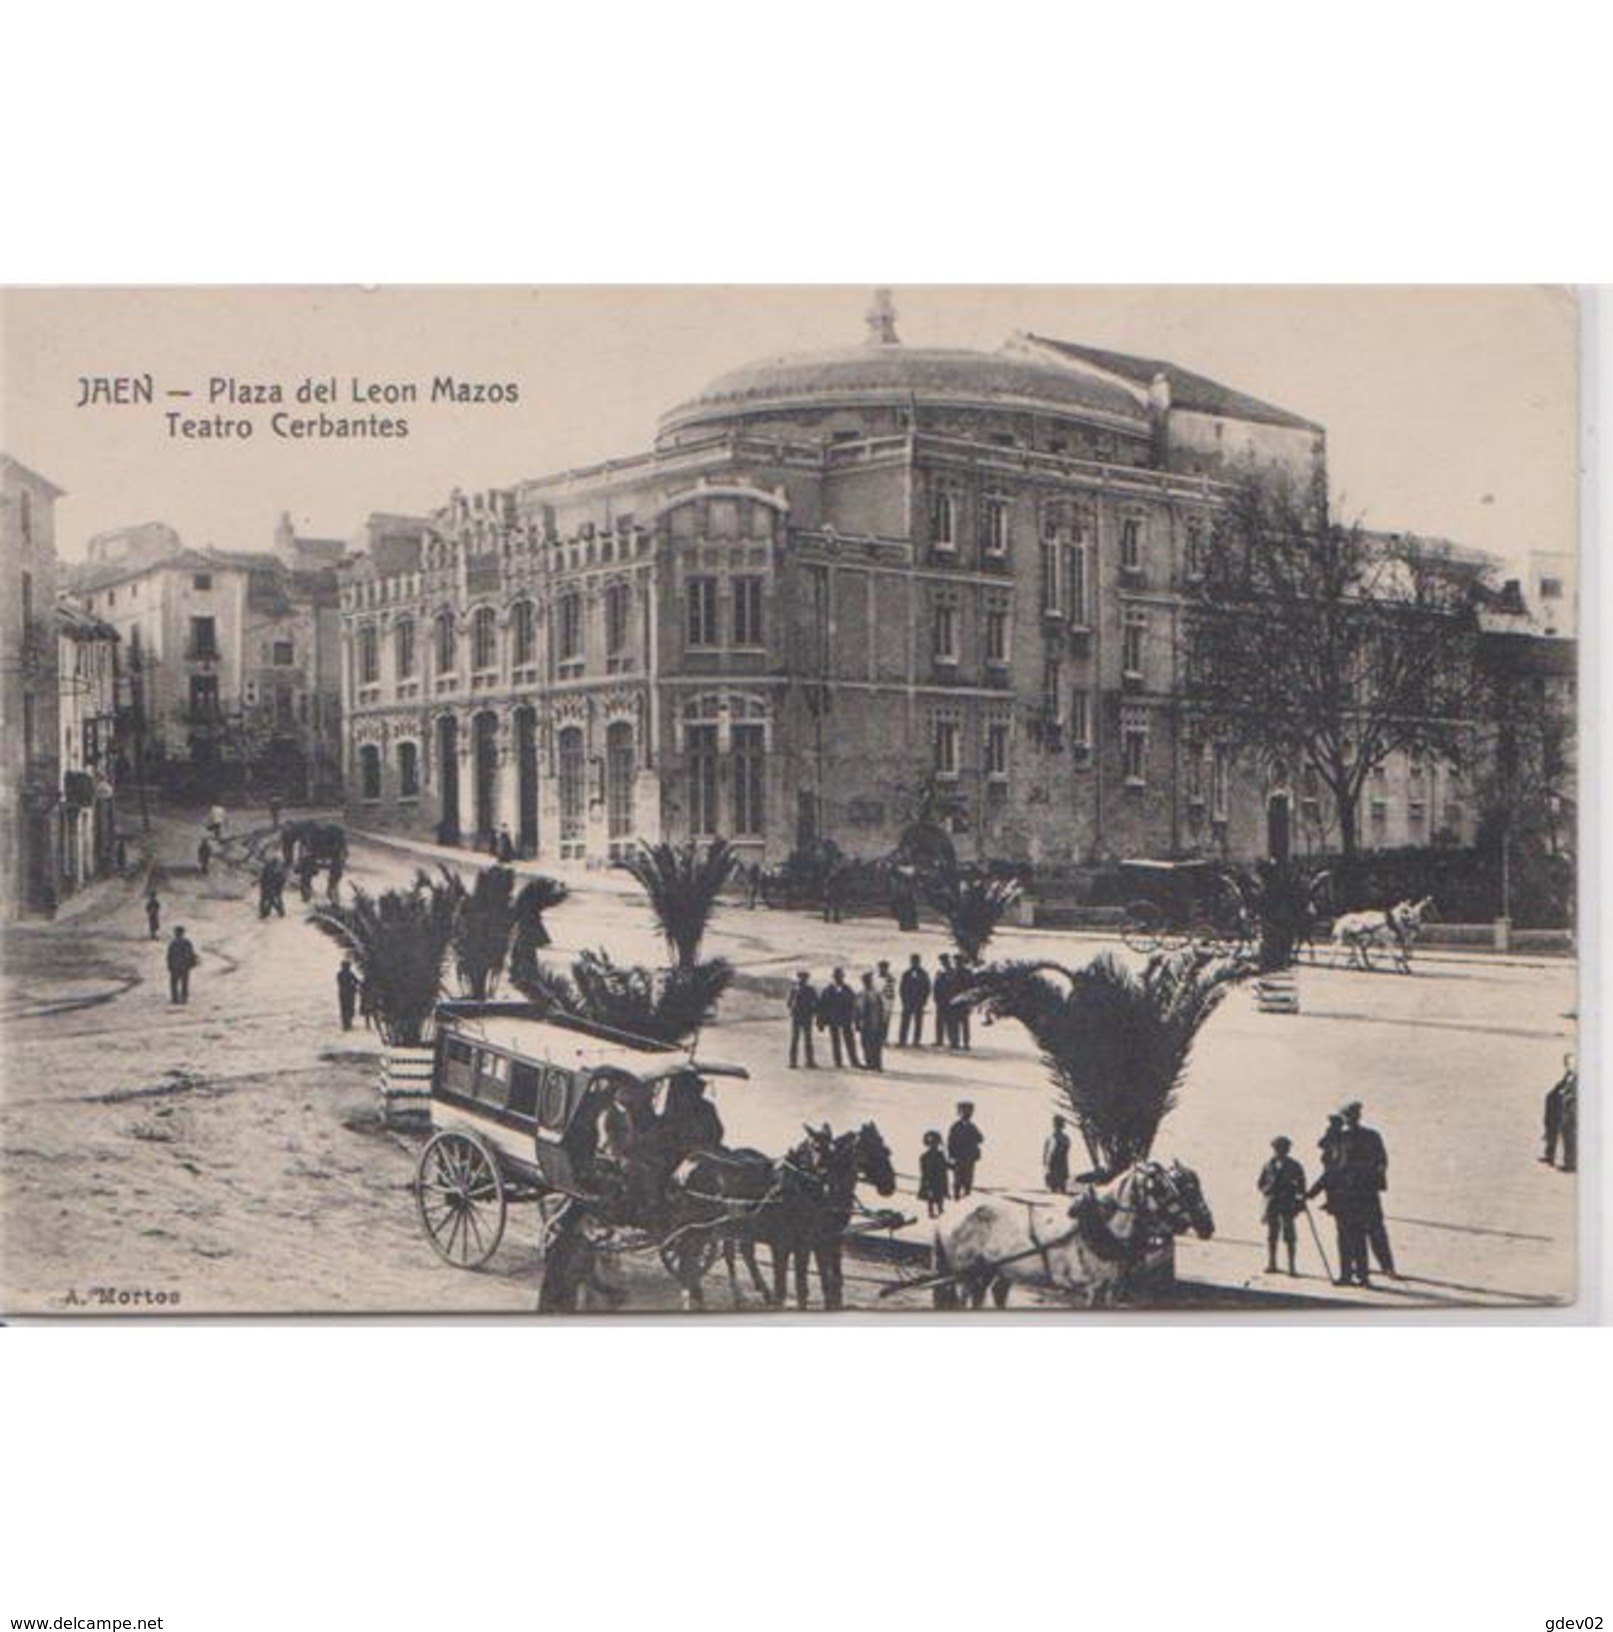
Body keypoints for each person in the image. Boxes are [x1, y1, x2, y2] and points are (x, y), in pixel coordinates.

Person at [1338, 1100, 1395, 1278]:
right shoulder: (1340, 1138)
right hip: (1349, 1193)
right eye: (1348, 1116)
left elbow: (1382, 1161)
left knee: (1376, 1230)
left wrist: (1373, 1176)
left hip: (1367, 1191)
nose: (1352, 1119)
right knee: (1354, 1232)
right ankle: (1361, 1269)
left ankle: (1387, 1266)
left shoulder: (1372, 1136)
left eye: (1354, 1115)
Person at [1307, 1114, 1363, 1286]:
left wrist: (1310, 1194)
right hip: (1345, 1199)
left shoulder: (1340, 1151)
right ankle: (1358, 1274)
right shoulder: (1339, 1146)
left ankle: (1353, 1275)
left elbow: (1329, 1175)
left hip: (1346, 1200)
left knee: (1349, 1237)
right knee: (1352, 1237)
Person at [1258, 1135, 1308, 1276]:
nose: (1281, 1151)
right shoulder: (1268, 1164)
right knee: (1272, 1234)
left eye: (1284, 1148)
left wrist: (1300, 1201)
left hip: (1288, 1204)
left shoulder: (1295, 1166)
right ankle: (1272, 1263)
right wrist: (1267, 1190)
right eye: (1278, 1148)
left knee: (1289, 1236)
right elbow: (1260, 1183)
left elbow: (1302, 1186)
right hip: (1272, 1203)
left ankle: (1292, 1267)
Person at [817, 967, 861, 1070]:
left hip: (846, 1019)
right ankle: (838, 1062)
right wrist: (821, 1022)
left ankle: (854, 1062)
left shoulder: (848, 989)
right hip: (833, 1019)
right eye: (836, 977)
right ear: (833, 978)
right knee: (835, 1041)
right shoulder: (827, 990)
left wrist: (855, 1019)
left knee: (850, 1041)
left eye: (840, 976)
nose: (838, 979)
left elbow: (854, 1004)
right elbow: (822, 1007)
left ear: (843, 977)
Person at [1541, 1055, 1577, 1171]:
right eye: (1566, 1064)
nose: (1568, 1066)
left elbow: (1575, 1092)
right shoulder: (1568, 1076)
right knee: (1553, 1128)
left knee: (1569, 1136)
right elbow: (1560, 1088)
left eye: (1570, 1064)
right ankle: (1551, 1155)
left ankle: (1570, 1164)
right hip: (1562, 1109)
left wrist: (1565, 1095)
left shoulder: (1578, 1077)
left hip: (1571, 1111)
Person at [947, 1102, 984, 1198]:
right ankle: (957, 1194)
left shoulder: (972, 1127)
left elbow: (980, 1138)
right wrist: (951, 1155)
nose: (967, 1115)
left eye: (969, 1112)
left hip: (969, 1156)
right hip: (959, 1156)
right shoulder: (956, 1127)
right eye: (964, 1112)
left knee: (968, 1176)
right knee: (958, 1177)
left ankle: (967, 1193)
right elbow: (951, 1141)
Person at [855, 971, 887, 1072]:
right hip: (865, 1024)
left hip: (875, 1023)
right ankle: (869, 1063)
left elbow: (882, 1009)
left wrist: (882, 1023)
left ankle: (877, 1064)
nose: (867, 982)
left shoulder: (876, 994)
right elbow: (856, 1010)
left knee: (876, 1045)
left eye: (868, 981)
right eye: (865, 981)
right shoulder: (860, 994)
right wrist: (857, 1023)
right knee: (865, 1044)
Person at [786, 969, 818, 1069]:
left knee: (807, 1039)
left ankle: (809, 1061)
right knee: (795, 1039)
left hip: (806, 1017)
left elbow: (816, 1002)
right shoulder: (794, 990)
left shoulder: (810, 989)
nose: (802, 980)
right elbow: (788, 1003)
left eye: (804, 978)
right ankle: (793, 1062)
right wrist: (793, 1007)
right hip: (798, 1017)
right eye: (801, 978)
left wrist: (813, 1012)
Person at [898, 953, 930, 1048]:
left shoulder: (923, 974)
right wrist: (904, 1000)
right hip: (908, 1001)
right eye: (913, 961)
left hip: (918, 1001)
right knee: (905, 1022)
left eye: (916, 961)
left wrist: (924, 999)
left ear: (919, 962)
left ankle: (916, 1041)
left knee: (918, 1022)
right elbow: (902, 988)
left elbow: (927, 988)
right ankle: (902, 1040)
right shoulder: (906, 974)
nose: (914, 963)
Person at [918, 1131, 950, 1219]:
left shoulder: (940, 1155)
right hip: (930, 1179)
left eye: (936, 1144)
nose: (935, 1146)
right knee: (931, 1197)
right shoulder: (925, 1157)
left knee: (940, 1195)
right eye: (932, 1144)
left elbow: (945, 1165)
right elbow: (924, 1170)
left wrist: (952, 1165)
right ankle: (931, 1212)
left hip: (940, 1179)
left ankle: (940, 1209)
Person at [166, 926, 198, 1005]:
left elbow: (169, 956)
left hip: (175, 966)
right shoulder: (187, 942)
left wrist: (169, 966)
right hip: (184, 966)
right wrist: (191, 963)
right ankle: (184, 998)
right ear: (183, 933)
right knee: (184, 983)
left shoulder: (173, 943)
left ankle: (175, 999)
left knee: (174, 983)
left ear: (176, 933)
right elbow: (191, 954)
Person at [1043, 1114, 1072, 1194]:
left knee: (1059, 1185)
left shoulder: (1059, 1138)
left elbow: (1047, 1152)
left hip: (1058, 1163)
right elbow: (1046, 1151)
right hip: (1057, 1163)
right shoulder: (1062, 1138)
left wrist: (1046, 1160)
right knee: (1056, 1185)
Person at [933, 953, 956, 1048]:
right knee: (939, 1022)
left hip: (950, 1001)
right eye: (942, 961)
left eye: (945, 961)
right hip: (941, 1001)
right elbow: (935, 987)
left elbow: (955, 987)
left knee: (950, 1022)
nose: (944, 963)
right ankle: (939, 1040)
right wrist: (936, 998)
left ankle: (953, 1041)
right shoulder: (939, 973)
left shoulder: (953, 972)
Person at [336, 957, 362, 1031]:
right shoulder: (349, 974)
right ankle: (348, 1023)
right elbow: (357, 982)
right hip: (349, 994)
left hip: (343, 994)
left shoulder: (340, 974)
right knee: (349, 1008)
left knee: (344, 1009)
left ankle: (345, 1023)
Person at [876, 960, 897, 1047]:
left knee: (885, 1023)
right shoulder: (875, 977)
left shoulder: (890, 979)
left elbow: (891, 994)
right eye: (881, 967)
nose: (882, 969)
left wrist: (889, 1004)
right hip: (877, 1003)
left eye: (884, 967)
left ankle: (883, 1039)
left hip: (886, 1003)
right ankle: (878, 1039)